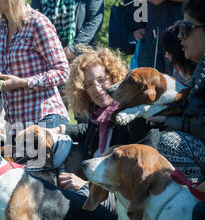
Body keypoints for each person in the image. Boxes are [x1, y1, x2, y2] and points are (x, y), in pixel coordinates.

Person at [57, 46, 160, 192]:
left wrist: (85, 186)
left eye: (101, 80)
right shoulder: (98, 117)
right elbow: (85, 130)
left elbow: (142, 174)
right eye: (89, 84)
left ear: (114, 77)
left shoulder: (132, 115)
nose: (97, 89)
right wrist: (59, 129)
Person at [148, 0, 205, 183]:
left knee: (171, 143)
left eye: (186, 28)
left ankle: (195, 200)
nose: (179, 36)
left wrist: (175, 123)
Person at [0, 0, 70, 137]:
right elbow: (10, 73)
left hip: (46, 119)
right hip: (16, 125)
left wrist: (24, 82)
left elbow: (62, 71)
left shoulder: (38, 23)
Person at [123, 0, 199, 74]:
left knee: (180, 82)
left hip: (179, 38)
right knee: (147, 84)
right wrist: (136, 26)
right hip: (148, 39)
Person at [30, 0, 104, 61]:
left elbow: (95, 20)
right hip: (48, 53)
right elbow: (34, 18)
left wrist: (74, 48)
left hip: (82, 54)